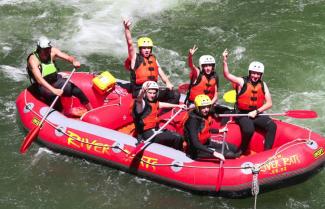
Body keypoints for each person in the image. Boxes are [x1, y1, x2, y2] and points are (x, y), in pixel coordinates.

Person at [222, 49, 277, 154]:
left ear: (261, 75)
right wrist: (225, 61)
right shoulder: (242, 81)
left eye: (258, 74)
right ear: (250, 72)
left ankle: (267, 152)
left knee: (272, 126)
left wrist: (256, 112)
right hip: (242, 113)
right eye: (253, 73)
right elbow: (227, 75)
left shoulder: (263, 84)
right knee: (249, 129)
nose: (255, 76)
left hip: (256, 113)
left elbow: (269, 103)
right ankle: (241, 150)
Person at [26, 36, 92, 113]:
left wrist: (73, 61)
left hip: (56, 80)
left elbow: (67, 57)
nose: (46, 52)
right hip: (43, 86)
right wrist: (53, 90)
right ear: (39, 49)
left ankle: (91, 110)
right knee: (54, 99)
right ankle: (64, 113)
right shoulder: (33, 59)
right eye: (44, 50)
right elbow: (39, 79)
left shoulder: (52, 51)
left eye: (48, 49)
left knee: (76, 90)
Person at [123, 19, 180, 104]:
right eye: (144, 48)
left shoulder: (153, 58)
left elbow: (160, 72)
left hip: (153, 90)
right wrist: (127, 28)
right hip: (140, 91)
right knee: (149, 98)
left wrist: (168, 82)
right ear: (140, 49)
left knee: (175, 94)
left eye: (149, 48)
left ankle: (161, 114)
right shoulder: (135, 58)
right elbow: (130, 44)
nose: (147, 50)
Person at [132, 81, 186, 150]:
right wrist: (142, 91)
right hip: (145, 134)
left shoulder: (154, 102)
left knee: (180, 137)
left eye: (154, 93)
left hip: (154, 130)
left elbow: (162, 104)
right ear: (145, 92)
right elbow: (139, 99)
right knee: (177, 137)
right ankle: (176, 153)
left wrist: (178, 105)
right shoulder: (141, 104)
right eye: (150, 93)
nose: (152, 95)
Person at [183, 94, 239, 160]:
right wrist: (214, 153)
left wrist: (219, 131)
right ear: (197, 107)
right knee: (230, 154)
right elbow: (195, 143)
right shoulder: (193, 121)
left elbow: (204, 129)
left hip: (206, 142)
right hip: (196, 150)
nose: (206, 109)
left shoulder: (203, 115)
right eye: (203, 107)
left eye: (208, 107)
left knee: (234, 148)